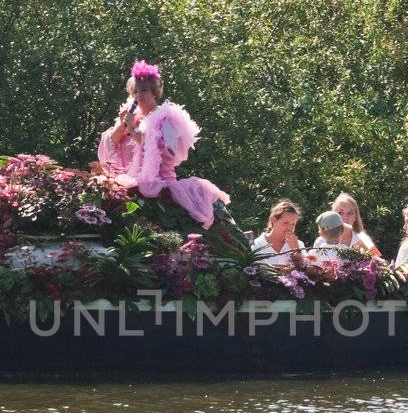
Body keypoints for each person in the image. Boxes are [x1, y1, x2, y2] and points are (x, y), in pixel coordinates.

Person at [98, 60, 230, 229]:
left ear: (154, 92)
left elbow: (164, 154)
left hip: (160, 184)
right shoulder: (133, 117)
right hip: (131, 180)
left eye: (144, 90)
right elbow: (110, 144)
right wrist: (123, 124)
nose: (139, 95)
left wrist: (133, 131)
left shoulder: (166, 119)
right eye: (135, 91)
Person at [253, 200, 304, 267]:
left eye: (293, 224)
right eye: (285, 223)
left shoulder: (298, 244)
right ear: (274, 220)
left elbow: (305, 271)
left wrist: (296, 250)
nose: (290, 228)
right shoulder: (257, 245)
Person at [329, 193, 379, 258]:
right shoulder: (323, 239)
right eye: (341, 213)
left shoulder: (364, 239)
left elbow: (380, 263)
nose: (345, 217)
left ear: (355, 217)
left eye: (350, 213)